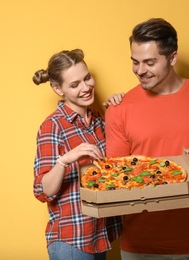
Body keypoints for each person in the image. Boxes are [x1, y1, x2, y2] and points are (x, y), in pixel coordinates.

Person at [105, 18, 189, 259]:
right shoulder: (119, 108)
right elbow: (115, 176)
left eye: (149, 62)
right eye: (135, 62)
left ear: (173, 58)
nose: (140, 70)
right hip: (139, 245)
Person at [32, 49, 123, 260]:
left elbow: (119, 165)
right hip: (71, 241)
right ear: (57, 88)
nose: (86, 87)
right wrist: (65, 160)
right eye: (74, 85)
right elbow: (42, 190)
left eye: (87, 78)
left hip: (100, 235)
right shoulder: (52, 126)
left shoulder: (100, 120)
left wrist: (119, 109)